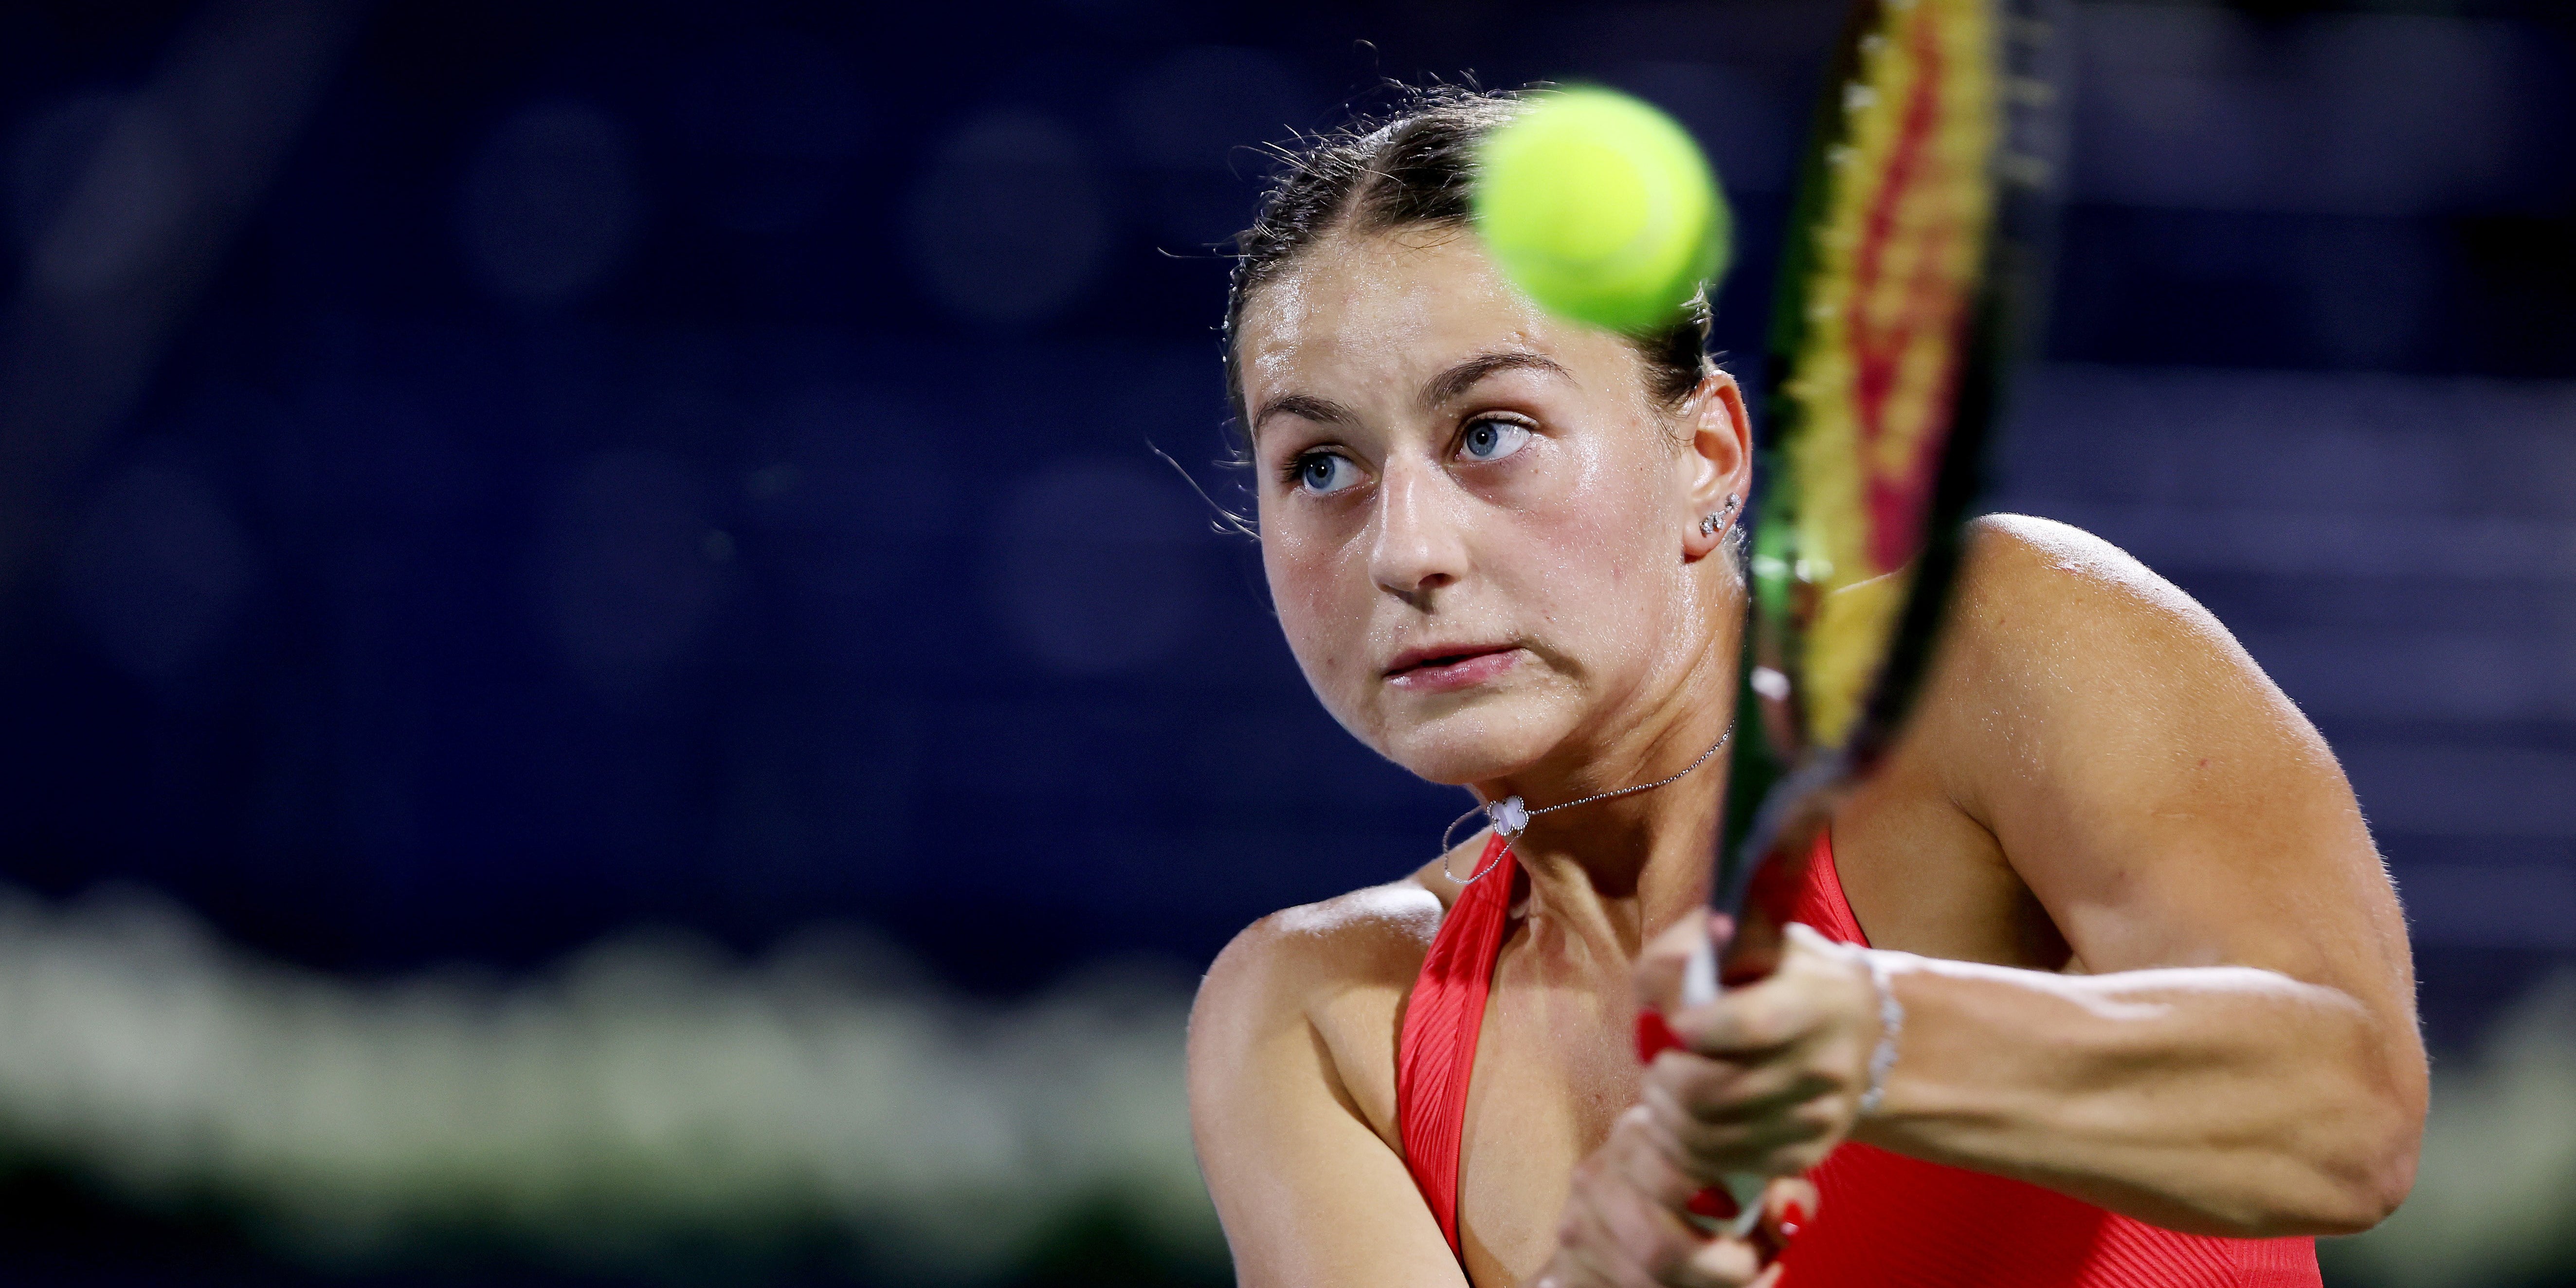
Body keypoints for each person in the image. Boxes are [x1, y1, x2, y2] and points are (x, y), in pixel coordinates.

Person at [1184, 86, 2424, 1288]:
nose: (1405, 550)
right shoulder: (1317, 1019)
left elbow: (2348, 1107)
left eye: (1491, 431)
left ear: (1707, 454)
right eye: (1321, 465)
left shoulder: (1979, 648)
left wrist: (1866, 1033)